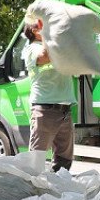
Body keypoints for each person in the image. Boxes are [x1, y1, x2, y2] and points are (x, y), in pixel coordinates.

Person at [22, 19, 76, 171]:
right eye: (41, 25)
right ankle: (33, 191)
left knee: (64, 159)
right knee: (36, 159)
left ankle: (56, 190)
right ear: (34, 30)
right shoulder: (32, 49)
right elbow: (45, 57)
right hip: (44, 109)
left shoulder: (54, 47)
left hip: (65, 108)